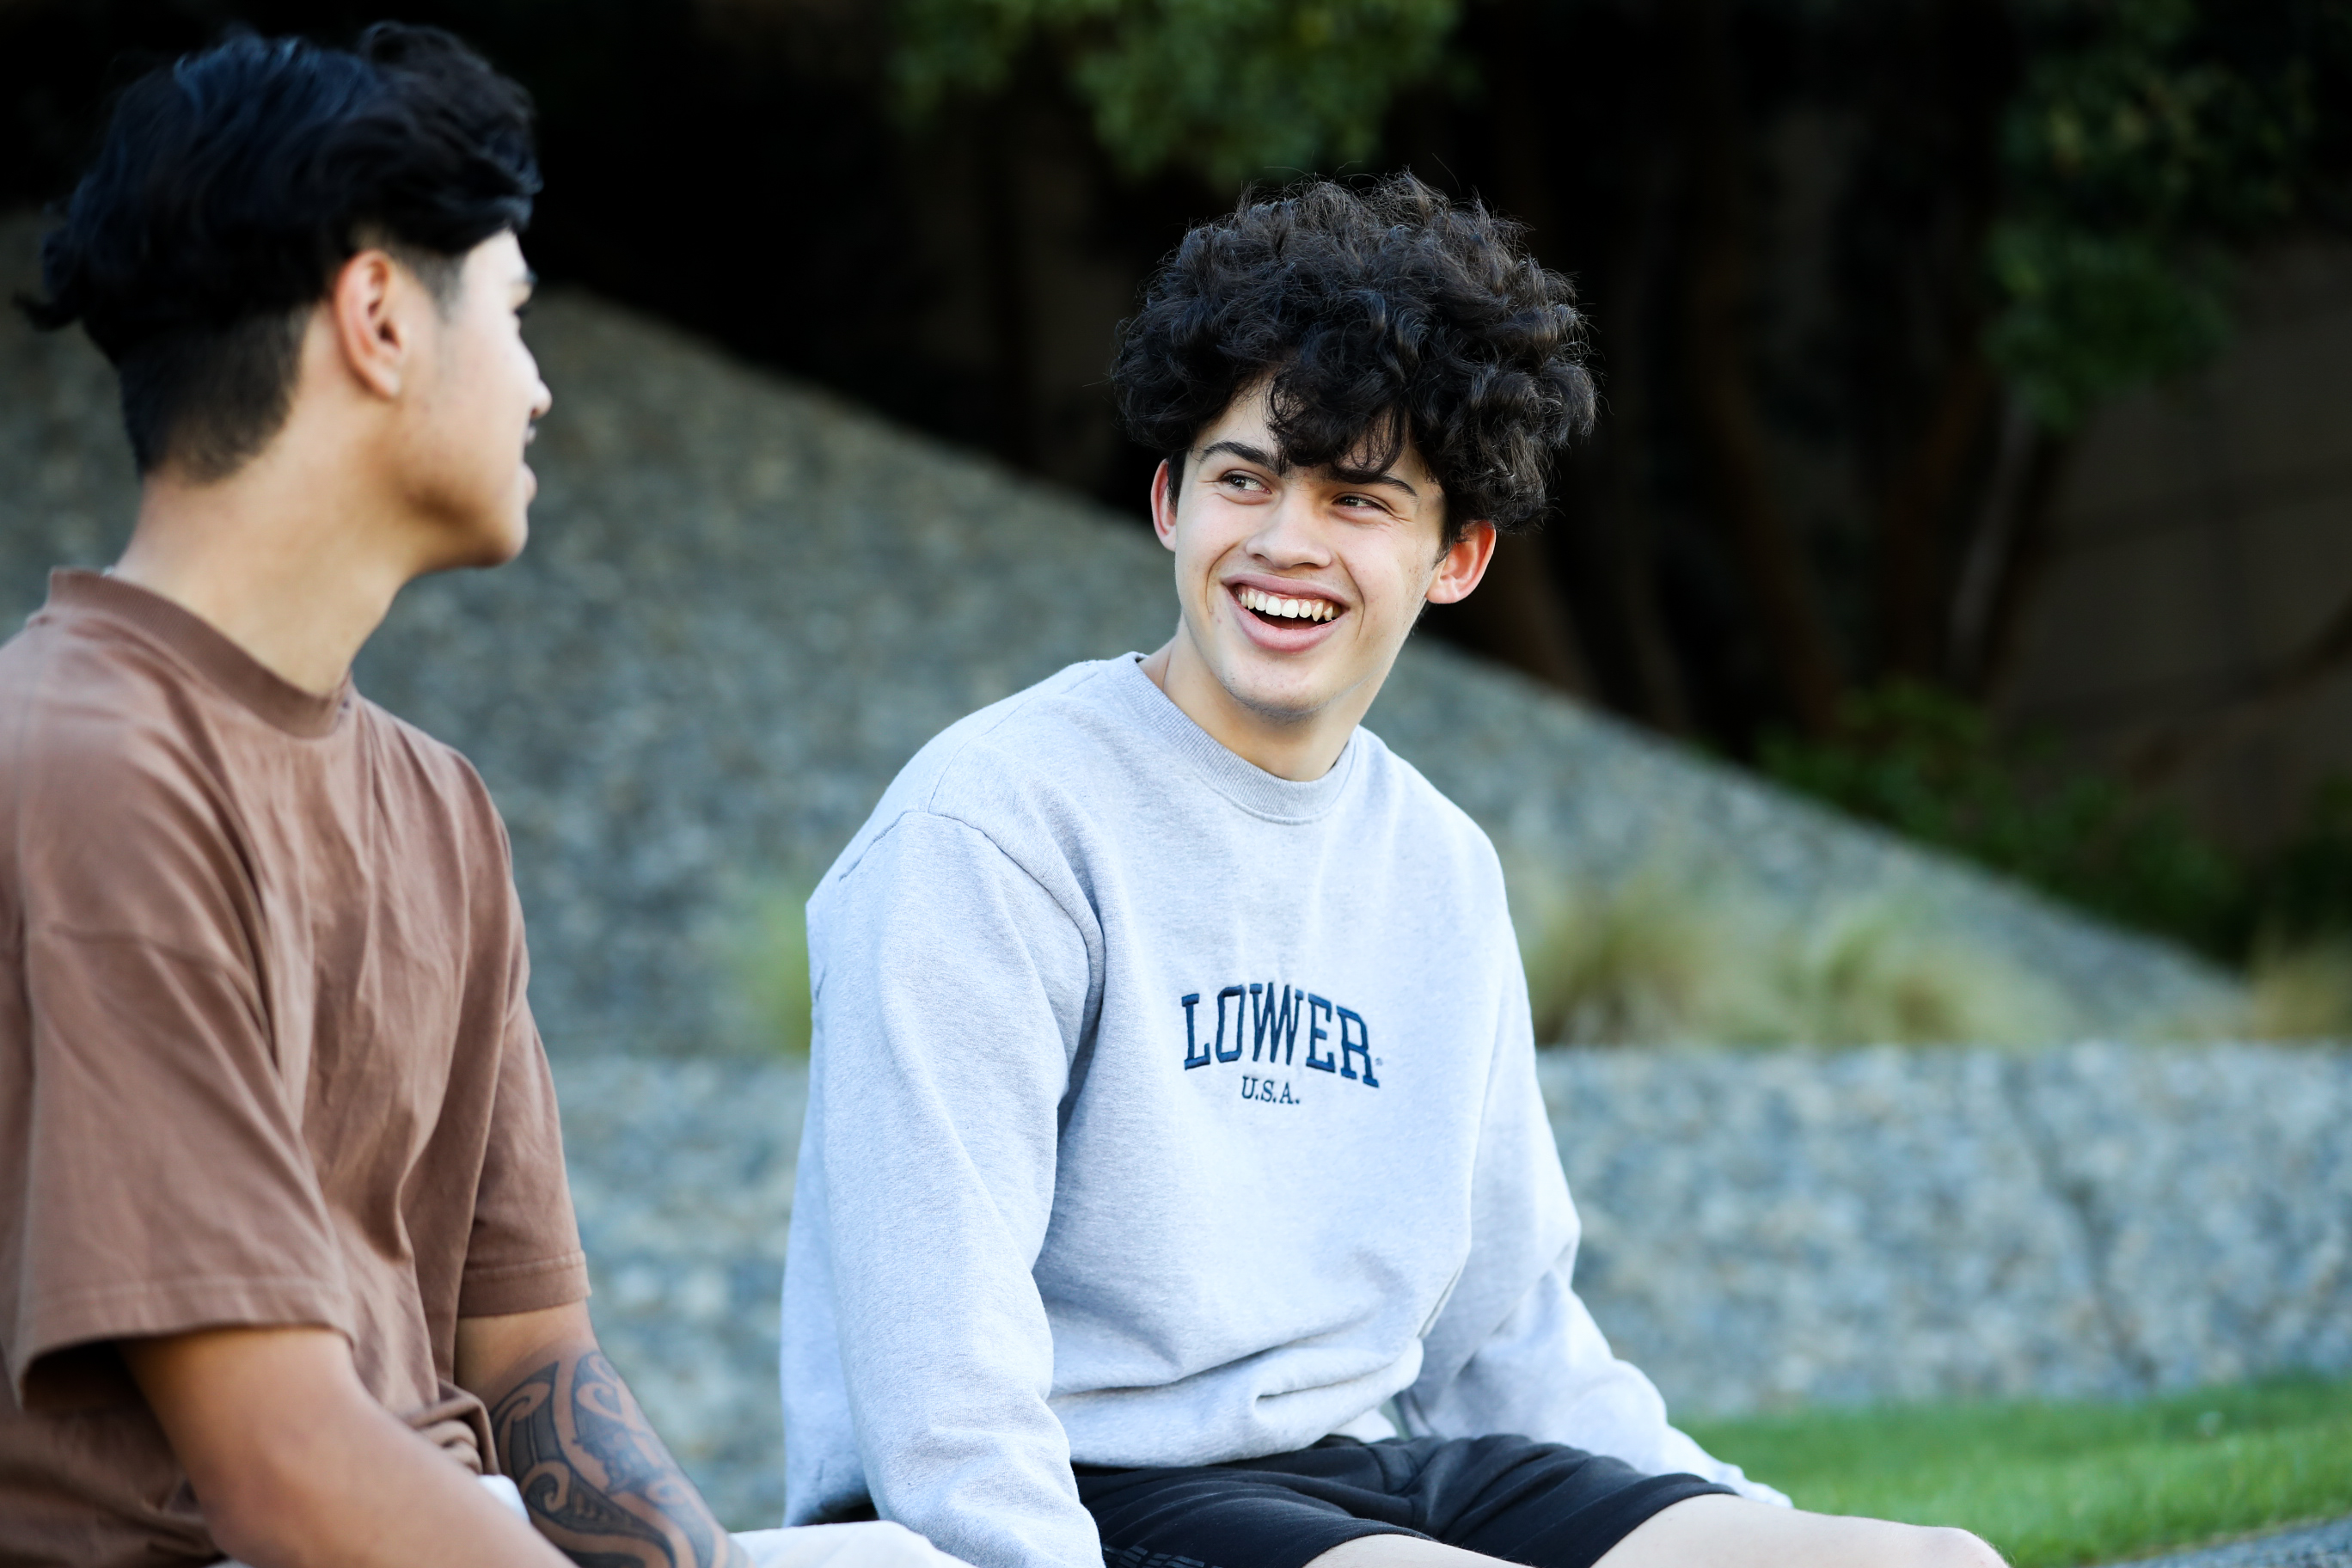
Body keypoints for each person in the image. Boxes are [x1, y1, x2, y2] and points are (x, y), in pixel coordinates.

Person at [782, 175, 2006, 1568]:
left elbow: (1506, 1338)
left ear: (1458, 556)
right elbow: (939, 1366)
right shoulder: (992, 829)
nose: (1286, 543)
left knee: (1931, 1567)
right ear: (1171, 500)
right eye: (1244, 478)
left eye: (1359, 498)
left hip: (1376, 1473)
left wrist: (1732, 1522)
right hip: (1100, 1481)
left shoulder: (1438, 866)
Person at [0, 27, 954, 1568]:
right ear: (379, 315)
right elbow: (283, 1466)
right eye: (514, 314)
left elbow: (534, 1371)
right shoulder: (90, 769)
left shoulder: (436, 804)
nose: (541, 388)